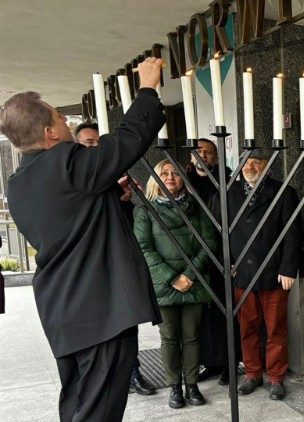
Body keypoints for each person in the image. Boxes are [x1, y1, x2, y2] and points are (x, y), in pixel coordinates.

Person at [0, 57, 165, 421]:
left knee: (78, 404)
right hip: (100, 309)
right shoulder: (67, 162)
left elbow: (73, 224)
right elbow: (126, 142)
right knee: (99, 411)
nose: (68, 121)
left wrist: (107, 198)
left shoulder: (19, 185)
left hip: (63, 310)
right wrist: (149, 88)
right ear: (50, 133)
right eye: (60, 117)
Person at [72, 122, 157, 396]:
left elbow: (127, 226)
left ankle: (132, 373)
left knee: (127, 324)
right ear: (77, 146)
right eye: (88, 143)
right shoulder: (76, 180)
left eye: (98, 142)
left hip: (119, 264)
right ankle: (104, 379)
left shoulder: (113, 175)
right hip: (89, 270)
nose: (94, 147)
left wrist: (124, 201)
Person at [219, 149, 302, 401]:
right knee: (247, 327)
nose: (250, 167)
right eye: (245, 162)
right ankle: (253, 374)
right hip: (242, 273)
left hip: (273, 273)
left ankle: (276, 377)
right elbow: (220, 231)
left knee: (276, 328)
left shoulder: (284, 192)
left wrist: (288, 267)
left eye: (256, 162)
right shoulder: (228, 193)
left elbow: (292, 233)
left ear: (266, 165)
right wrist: (227, 263)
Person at [133, 159, 216, 409]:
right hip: (164, 285)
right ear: (155, 180)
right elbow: (144, 248)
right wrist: (172, 277)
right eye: (164, 173)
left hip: (194, 282)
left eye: (175, 173)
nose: (170, 177)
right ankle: (174, 388)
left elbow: (208, 244)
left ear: (183, 178)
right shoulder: (145, 210)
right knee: (169, 338)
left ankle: (192, 385)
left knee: (191, 337)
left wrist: (189, 275)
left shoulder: (197, 208)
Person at [184, 138, 234, 386]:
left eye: (209, 152)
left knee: (226, 311)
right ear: (191, 156)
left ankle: (229, 363)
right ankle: (211, 362)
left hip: (223, 254)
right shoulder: (181, 180)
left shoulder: (227, 179)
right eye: (198, 151)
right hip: (195, 253)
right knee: (203, 313)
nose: (203, 155)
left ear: (216, 156)